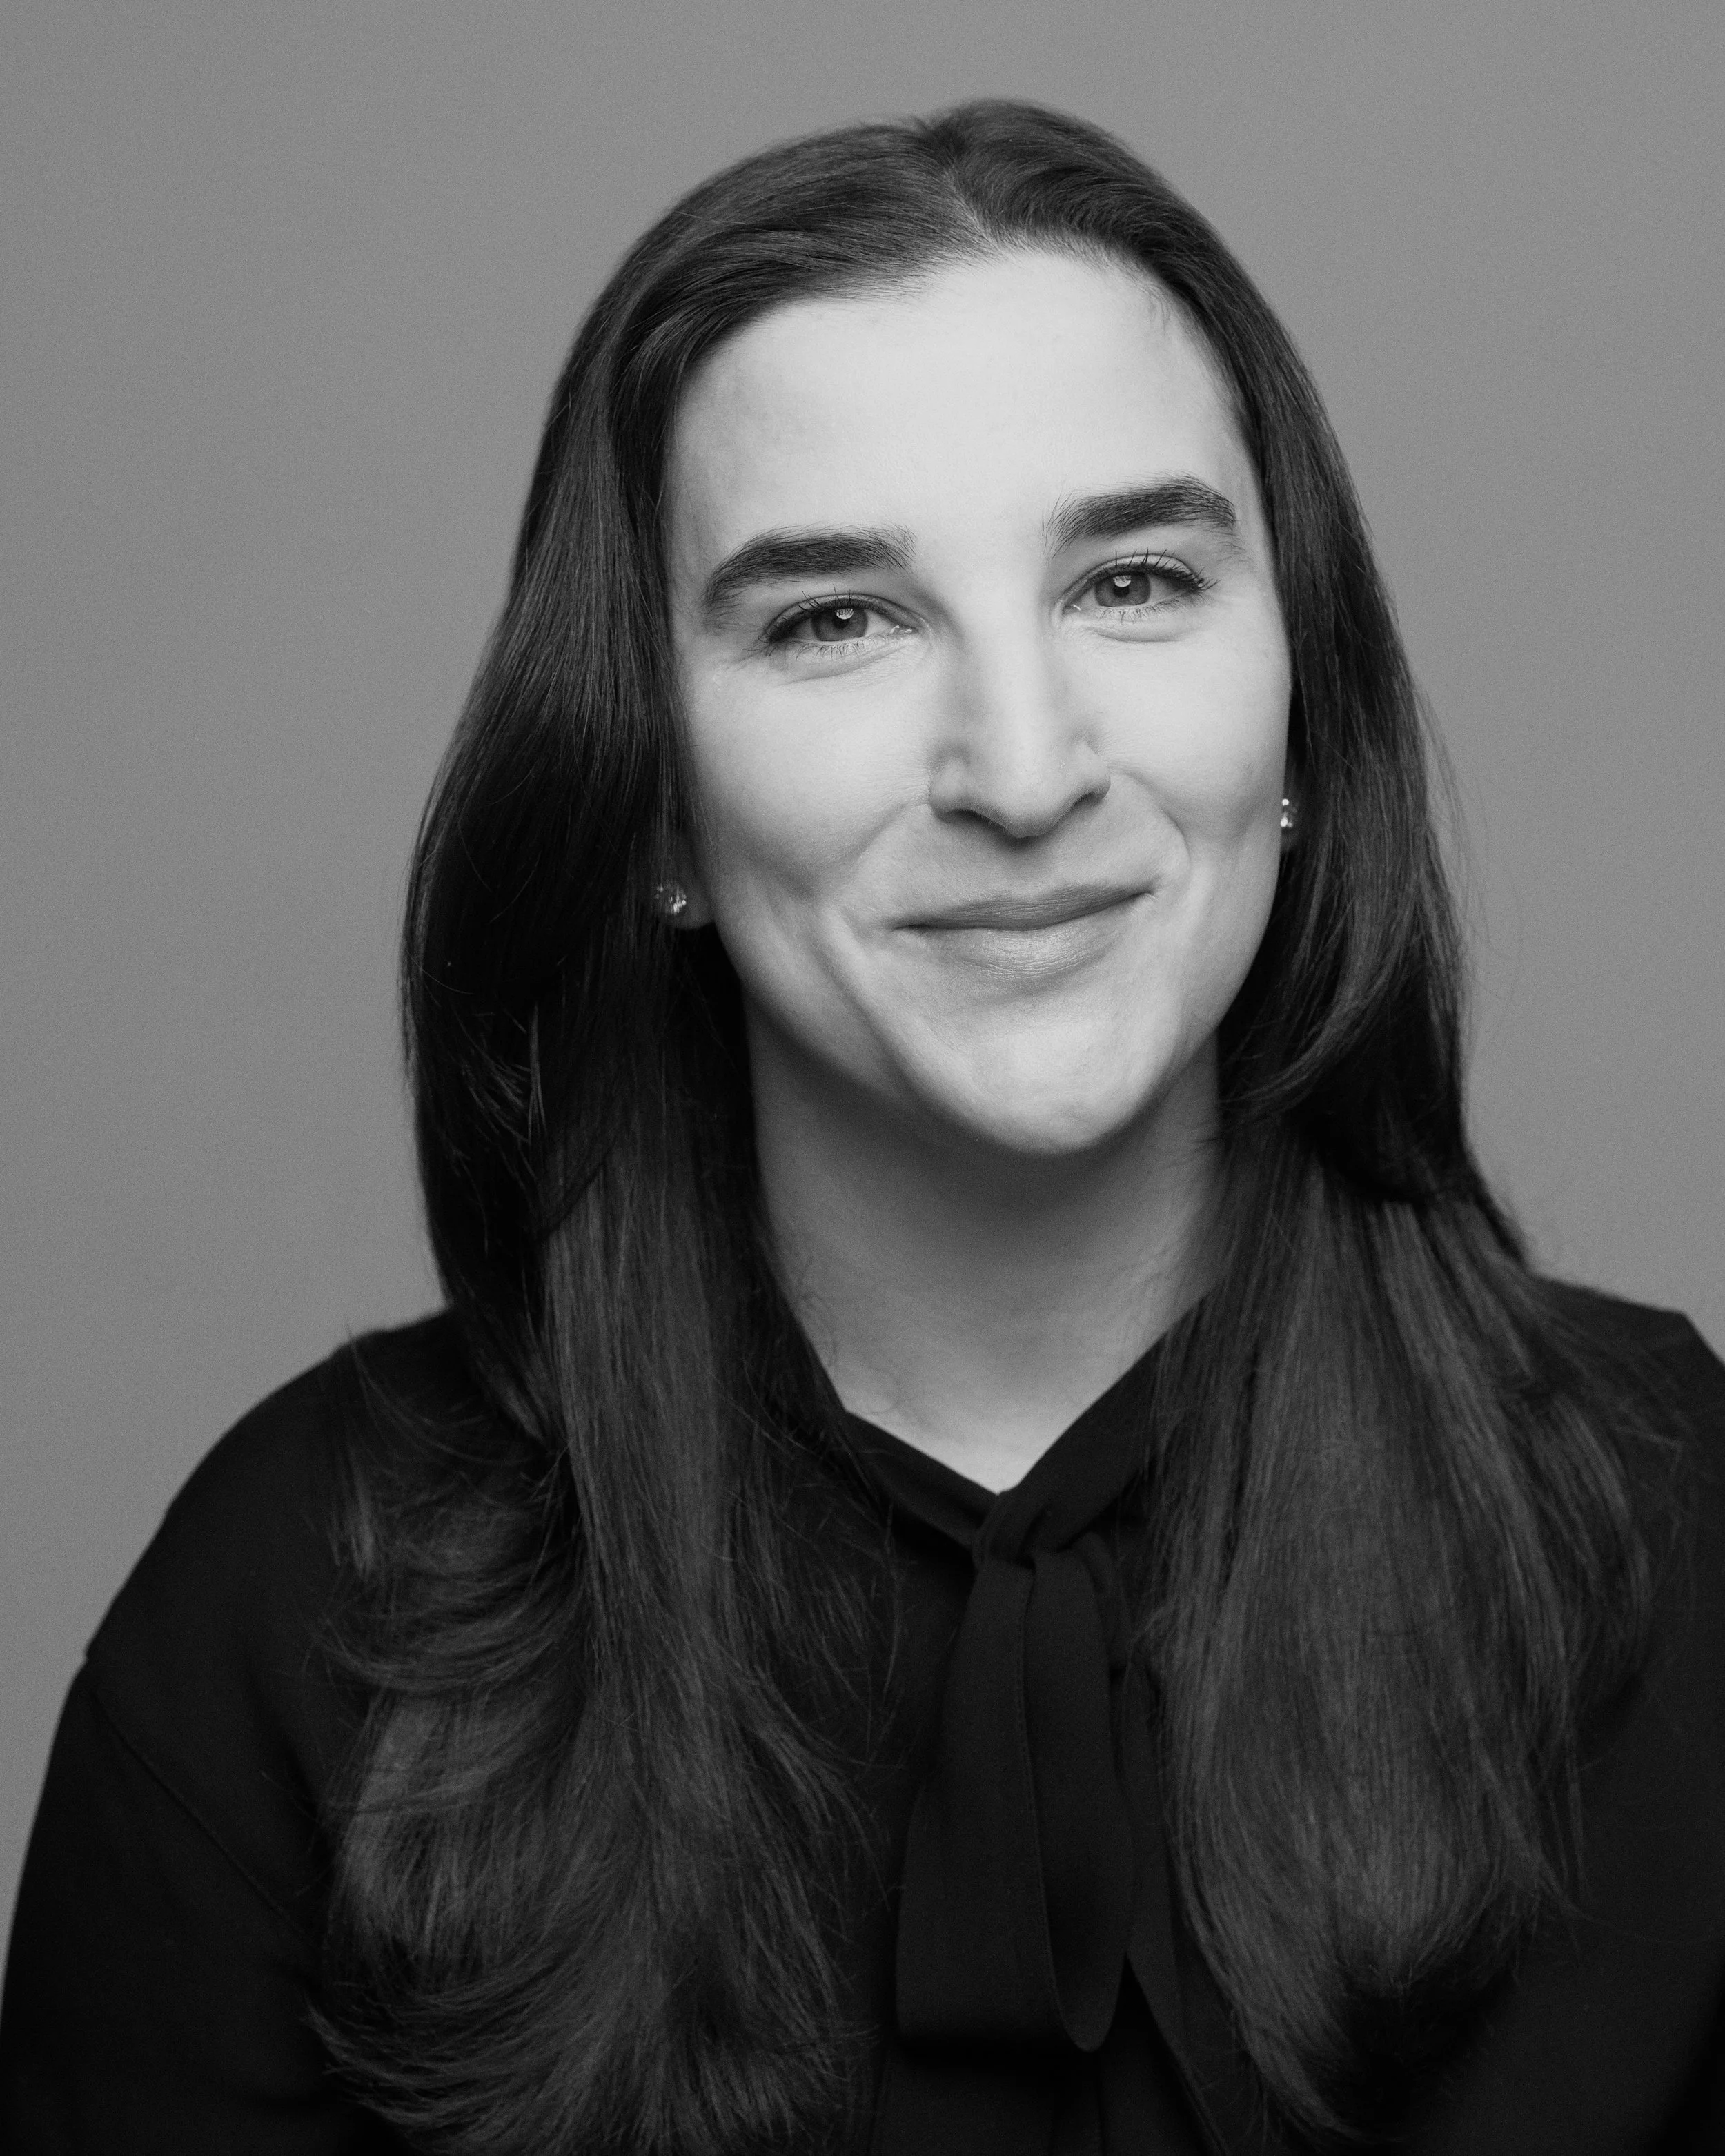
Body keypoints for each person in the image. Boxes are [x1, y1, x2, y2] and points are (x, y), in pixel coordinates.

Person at [2, 98, 1722, 2156]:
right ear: (653, 804)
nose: (1020, 763)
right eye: (836, 617)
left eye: (1136, 577)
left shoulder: (1677, 1532)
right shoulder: (290, 1616)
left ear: (1294, 726)